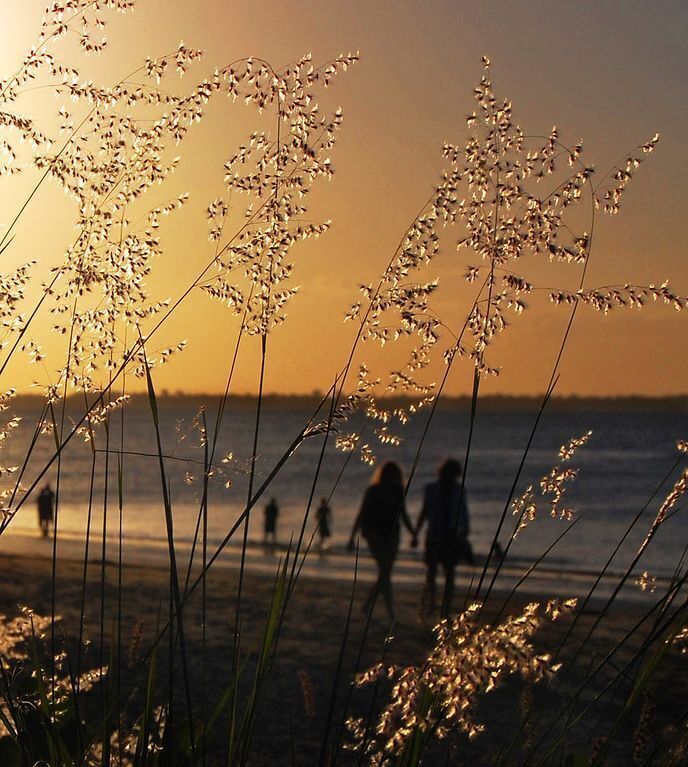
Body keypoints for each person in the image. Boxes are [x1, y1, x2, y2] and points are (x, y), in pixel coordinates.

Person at [348, 461, 414, 620]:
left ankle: (368, 606)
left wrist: (413, 533)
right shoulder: (374, 491)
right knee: (385, 572)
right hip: (375, 535)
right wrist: (351, 536)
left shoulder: (397, 491)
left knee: (385, 572)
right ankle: (389, 612)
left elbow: (403, 514)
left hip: (390, 536)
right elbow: (363, 513)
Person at [415, 458, 474, 617]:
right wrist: (416, 533)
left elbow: (464, 512)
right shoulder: (431, 489)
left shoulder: (459, 490)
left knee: (449, 575)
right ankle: (431, 605)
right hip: (435, 536)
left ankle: (445, 609)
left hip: (451, 538)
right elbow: (425, 511)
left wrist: (464, 532)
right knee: (431, 574)